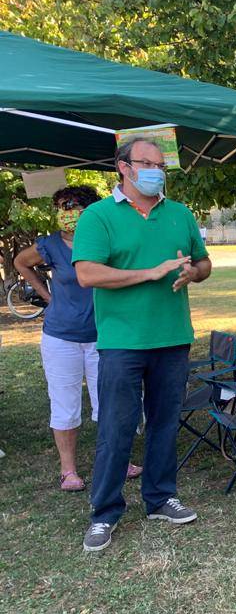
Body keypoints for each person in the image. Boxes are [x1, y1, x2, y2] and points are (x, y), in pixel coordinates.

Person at [73, 139, 212, 552]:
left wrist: (194, 274)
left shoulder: (180, 214)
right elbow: (88, 274)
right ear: (123, 167)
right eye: (146, 163)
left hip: (172, 337)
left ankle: (160, 497)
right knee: (116, 428)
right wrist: (149, 273)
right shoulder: (98, 216)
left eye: (160, 164)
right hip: (122, 342)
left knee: (165, 423)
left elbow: (204, 262)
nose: (156, 170)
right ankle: (105, 512)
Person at [13, 185, 142, 490]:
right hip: (61, 337)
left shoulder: (105, 239)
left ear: (89, 209)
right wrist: (46, 296)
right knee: (64, 403)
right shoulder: (50, 245)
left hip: (104, 335)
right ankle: (68, 470)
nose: (64, 212)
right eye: (60, 206)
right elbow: (20, 261)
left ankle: (116, 461)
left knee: (108, 403)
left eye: (71, 205)